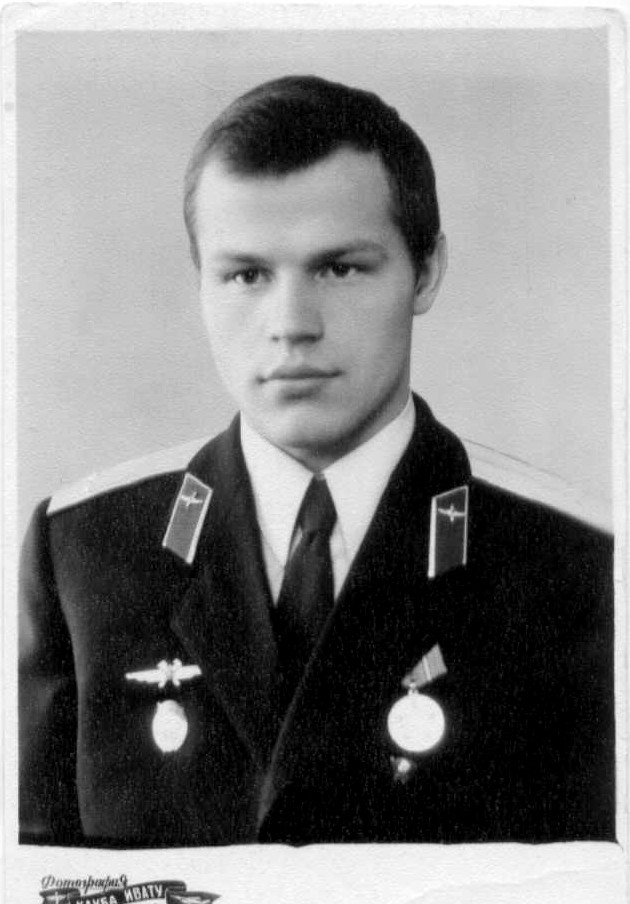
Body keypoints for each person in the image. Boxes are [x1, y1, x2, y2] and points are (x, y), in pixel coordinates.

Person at [19, 75, 615, 848]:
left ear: (426, 272)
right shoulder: (86, 551)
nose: (291, 324)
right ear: (201, 284)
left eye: (340, 268)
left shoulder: (575, 564)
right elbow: (36, 892)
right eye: (246, 275)